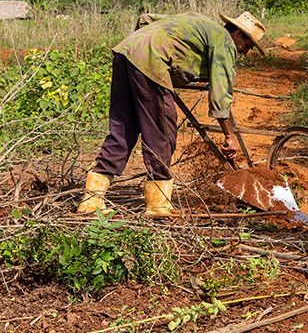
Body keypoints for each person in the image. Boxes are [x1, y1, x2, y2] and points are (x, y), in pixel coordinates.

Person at [78, 11, 266, 216]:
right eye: (247, 46)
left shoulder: (198, 21)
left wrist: (143, 57)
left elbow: (146, 19)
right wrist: (230, 137)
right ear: (238, 32)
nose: (246, 52)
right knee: (162, 132)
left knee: (124, 128)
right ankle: (157, 206)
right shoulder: (225, 43)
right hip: (150, 63)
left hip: (126, 53)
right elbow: (221, 97)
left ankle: (91, 200)